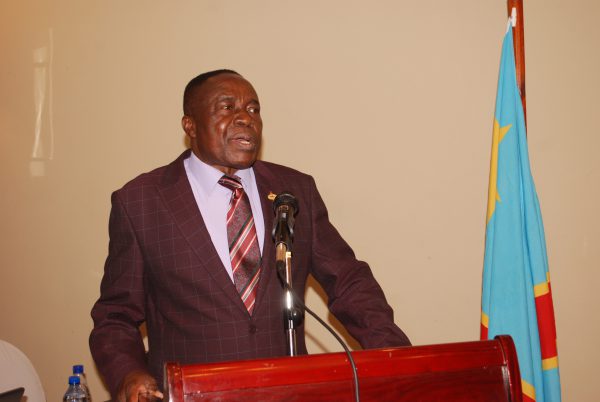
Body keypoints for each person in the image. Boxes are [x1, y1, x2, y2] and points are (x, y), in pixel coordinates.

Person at [89, 69, 411, 401]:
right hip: (193, 394)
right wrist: (129, 373)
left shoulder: (294, 190)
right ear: (190, 125)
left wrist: (395, 356)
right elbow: (115, 316)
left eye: (253, 109)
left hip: (288, 393)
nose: (246, 118)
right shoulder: (141, 201)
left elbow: (349, 282)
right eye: (227, 107)